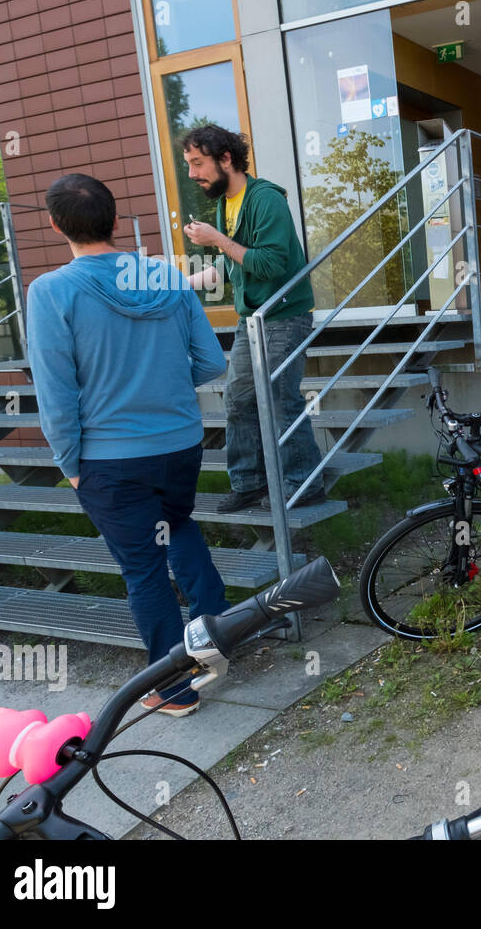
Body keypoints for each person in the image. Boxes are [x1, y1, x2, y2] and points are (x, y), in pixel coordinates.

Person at [26, 173, 231, 716]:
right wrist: (161, 388)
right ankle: (224, 637)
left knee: (143, 568)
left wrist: (69, 463)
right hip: (180, 443)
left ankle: (175, 689)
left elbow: (56, 392)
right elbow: (212, 362)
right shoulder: (164, 275)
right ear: (116, 220)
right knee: (179, 527)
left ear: (55, 225)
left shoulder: (50, 292)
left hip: (110, 459)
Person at [179, 124, 326, 512]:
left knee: (280, 398)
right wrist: (180, 282)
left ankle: (305, 482)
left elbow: (271, 264)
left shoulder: (265, 200)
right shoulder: (225, 203)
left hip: (285, 314)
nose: (192, 173)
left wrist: (218, 241)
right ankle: (249, 483)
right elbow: (234, 267)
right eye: (189, 165)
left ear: (226, 159)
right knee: (239, 400)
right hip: (253, 319)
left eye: (198, 163)